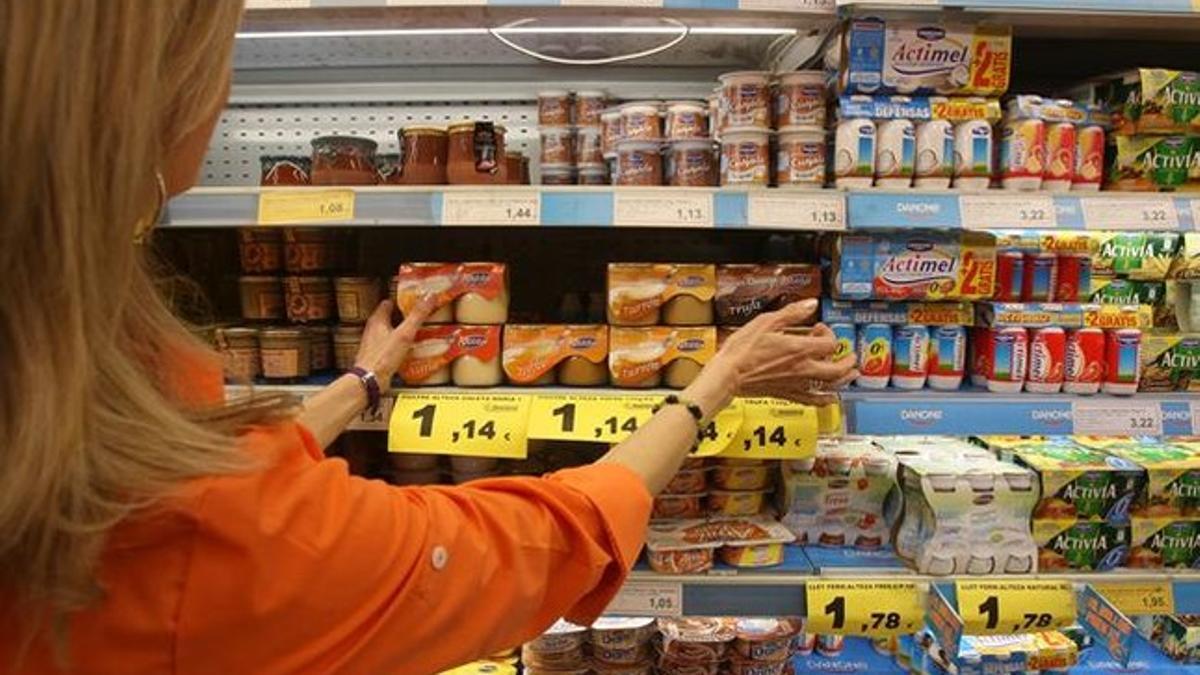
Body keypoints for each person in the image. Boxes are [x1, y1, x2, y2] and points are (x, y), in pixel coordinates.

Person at [0, 2, 857, 673]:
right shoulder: (210, 541)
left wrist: (363, 382)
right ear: (160, 99)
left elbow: (205, 476)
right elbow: (556, 536)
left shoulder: (77, 433)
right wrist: (716, 379)